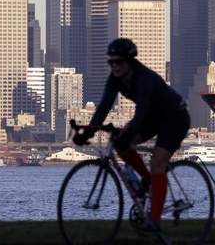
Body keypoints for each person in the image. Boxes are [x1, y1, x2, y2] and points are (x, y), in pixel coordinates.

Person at [73, 38, 190, 229]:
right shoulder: (114, 80)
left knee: (157, 162)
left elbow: (141, 112)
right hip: (152, 118)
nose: (115, 66)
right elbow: (104, 106)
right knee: (120, 144)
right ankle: (147, 179)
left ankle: (154, 220)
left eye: (118, 62)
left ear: (129, 61)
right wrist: (89, 131)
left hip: (174, 117)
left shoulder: (144, 78)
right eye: (111, 62)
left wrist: (128, 133)